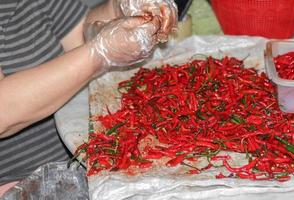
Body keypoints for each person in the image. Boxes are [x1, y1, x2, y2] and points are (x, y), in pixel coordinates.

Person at [0, 0, 177, 195]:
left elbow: (81, 37)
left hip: (84, 164)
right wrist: (98, 53)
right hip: (21, 185)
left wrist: (121, 9)